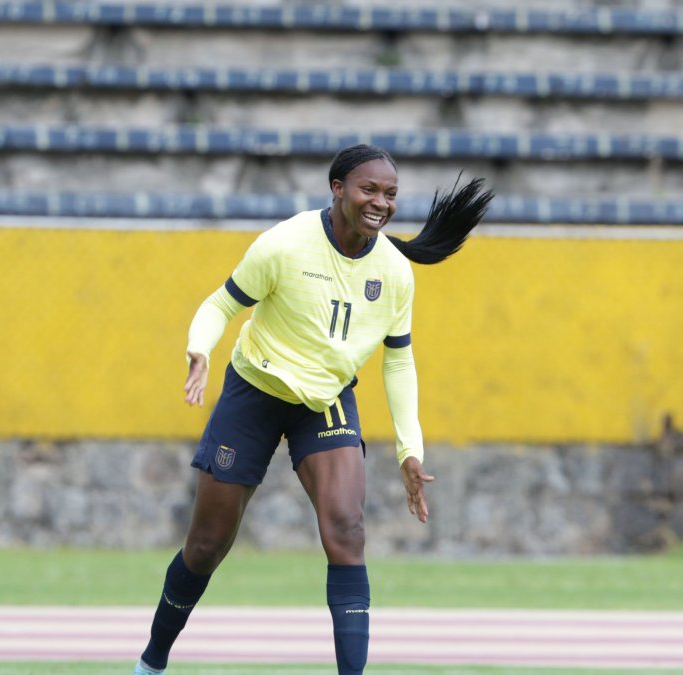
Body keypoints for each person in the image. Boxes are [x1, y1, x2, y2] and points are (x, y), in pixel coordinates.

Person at [133, 144, 493, 675]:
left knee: (347, 531)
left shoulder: (394, 272)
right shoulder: (285, 244)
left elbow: (399, 363)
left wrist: (409, 450)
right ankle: (152, 662)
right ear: (338, 189)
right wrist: (200, 348)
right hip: (254, 392)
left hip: (324, 401)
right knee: (206, 545)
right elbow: (222, 305)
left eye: (390, 194)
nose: (381, 202)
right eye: (369, 189)